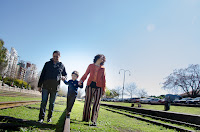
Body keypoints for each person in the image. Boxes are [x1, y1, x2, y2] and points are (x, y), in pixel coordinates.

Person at [38, 50, 67, 123]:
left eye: (57, 56)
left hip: (55, 87)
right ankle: (41, 118)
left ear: (59, 56)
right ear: (52, 56)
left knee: (52, 103)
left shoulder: (62, 65)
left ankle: (49, 118)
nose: (55, 58)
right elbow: (42, 74)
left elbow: (65, 74)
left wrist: (64, 77)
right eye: (54, 56)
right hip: (46, 86)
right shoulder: (47, 64)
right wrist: (39, 85)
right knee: (43, 102)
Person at [79, 54, 106, 126]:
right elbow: (86, 74)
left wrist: (103, 89)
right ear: (97, 58)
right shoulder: (90, 66)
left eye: (103, 59)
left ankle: (94, 120)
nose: (102, 59)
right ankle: (85, 119)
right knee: (88, 102)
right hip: (90, 86)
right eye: (101, 58)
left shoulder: (103, 68)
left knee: (96, 103)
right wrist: (81, 80)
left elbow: (103, 79)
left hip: (99, 87)